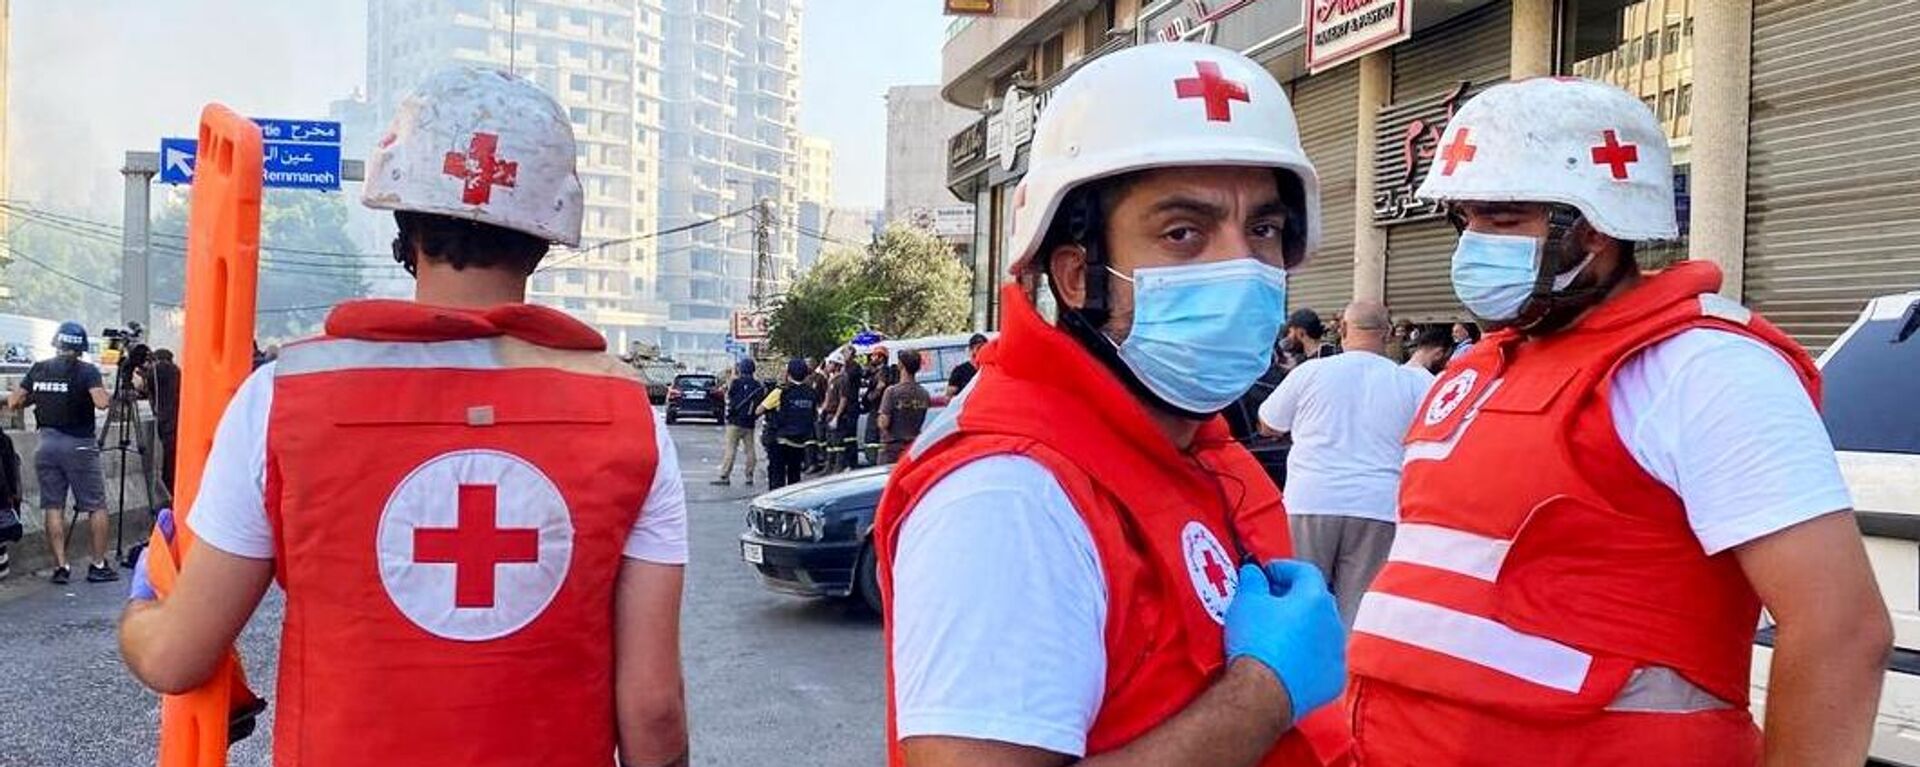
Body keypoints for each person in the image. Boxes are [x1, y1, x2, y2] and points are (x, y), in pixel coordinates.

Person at [117, 68, 691, 767]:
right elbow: (654, 712)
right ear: (548, 235)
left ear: (402, 220)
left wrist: (145, 603)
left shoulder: (283, 396)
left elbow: (179, 655)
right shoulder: (629, 416)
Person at [1348, 77, 1890, 766]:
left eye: (1503, 219)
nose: (1474, 244)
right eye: (1467, 219)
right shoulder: (1478, 369)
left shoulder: (1703, 368)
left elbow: (1840, 628)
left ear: (1596, 224)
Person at [874, 42, 1349, 767]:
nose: (1241, 265)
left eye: (1263, 228)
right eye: (1183, 232)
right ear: (1077, 276)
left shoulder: (1196, 448)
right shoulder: (1010, 496)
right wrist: (1262, 693)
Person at [1256, 300, 1432, 625]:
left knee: (1299, 606)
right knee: (1360, 614)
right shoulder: (1414, 382)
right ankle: (1349, 674)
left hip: (1311, 501)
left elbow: (1268, 423)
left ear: (1343, 330)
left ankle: (1300, 673)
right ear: (1389, 333)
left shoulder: (1309, 372)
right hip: (1379, 507)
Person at [6, 322, 113, 584]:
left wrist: (39, 397)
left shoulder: (39, 368)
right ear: (81, 347)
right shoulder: (87, 371)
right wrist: (112, 395)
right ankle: (98, 564)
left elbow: (14, 401)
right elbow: (101, 402)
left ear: (58, 343)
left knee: (53, 506)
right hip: (79, 444)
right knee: (95, 505)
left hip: (46, 444)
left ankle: (61, 567)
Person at [758, 358, 817, 489]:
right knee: (794, 476)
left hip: (781, 440)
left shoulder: (781, 391)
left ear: (788, 374)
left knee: (777, 475)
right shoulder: (811, 393)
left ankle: (775, 504)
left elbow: (759, 410)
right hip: (800, 441)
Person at [135, 347, 182, 495]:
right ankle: (173, 488)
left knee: (169, 460)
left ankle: (168, 487)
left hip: (167, 422)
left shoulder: (159, 370)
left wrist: (137, 374)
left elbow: (141, 387)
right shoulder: (177, 371)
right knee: (173, 458)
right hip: (177, 420)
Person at [713, 358, 765, 487]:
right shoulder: (758, 386)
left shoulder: (735, 383)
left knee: (731, 449)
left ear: (740, 369)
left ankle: (725, 475)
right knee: (750, 450)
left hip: (734, 421)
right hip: (749, 422)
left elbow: (729, 396)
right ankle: (749, 475)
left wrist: (732, 377)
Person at [876, 350, 931, 465]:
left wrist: (879, 417)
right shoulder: (924, 393)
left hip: (892, 450)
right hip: (913, 448)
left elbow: (883, 423)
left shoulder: (892, 391)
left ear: (901, 365)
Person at [943, 333, 989, 398]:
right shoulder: (959, 371)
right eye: (979, 348)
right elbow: (948, 396)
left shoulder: (991, 369)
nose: (982, 351)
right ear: (971, 350)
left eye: (984, 348)